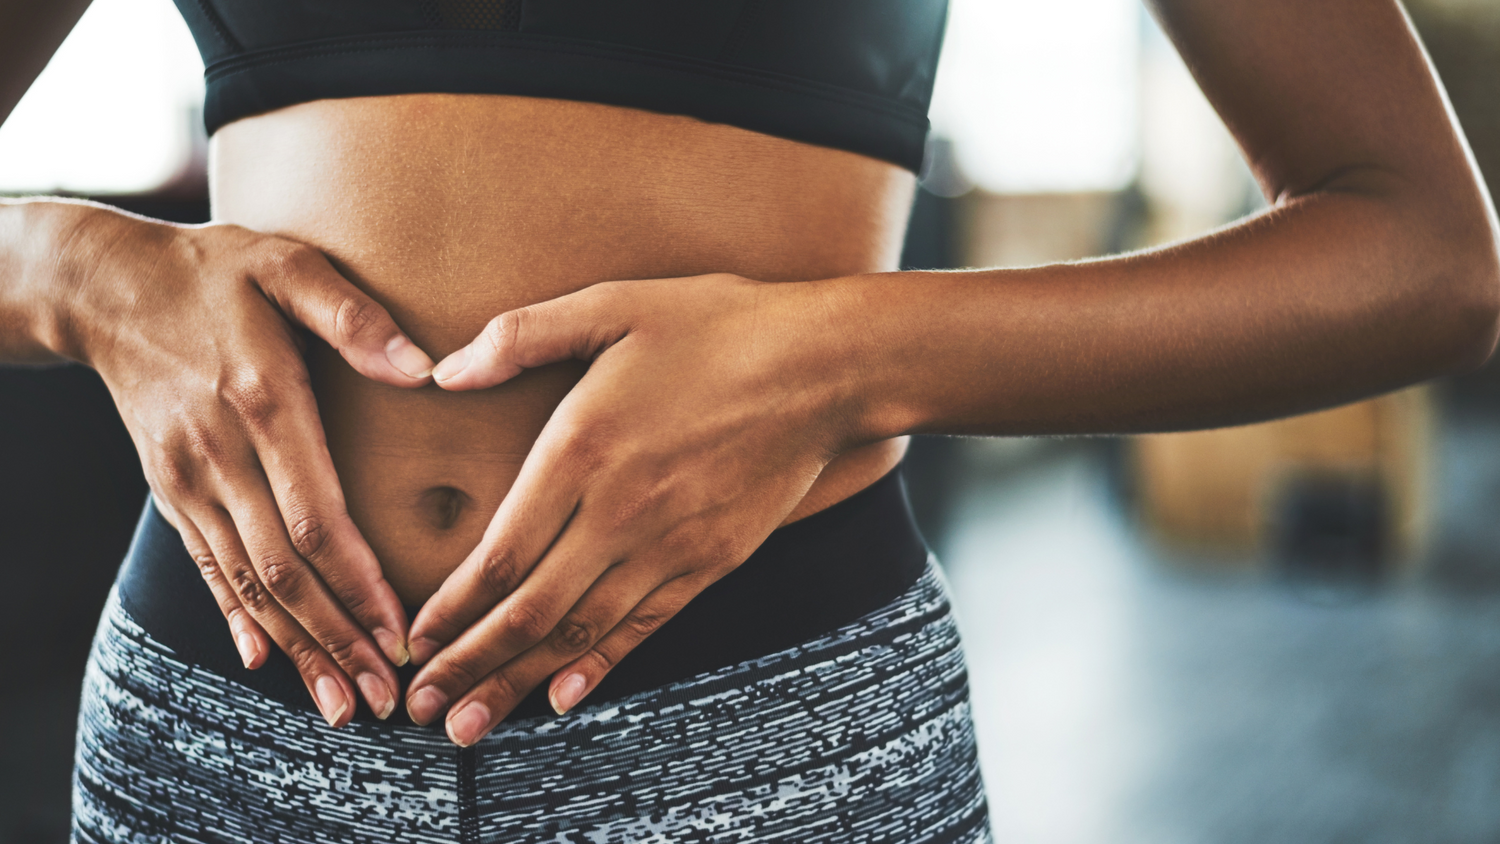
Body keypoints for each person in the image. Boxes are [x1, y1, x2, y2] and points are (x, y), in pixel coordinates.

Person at [1, 0, 1496, 840]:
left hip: (767, 730)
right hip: (227, 723)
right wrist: (75, 269)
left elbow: (1422, 249)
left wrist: (842, 355)